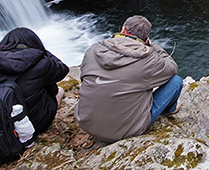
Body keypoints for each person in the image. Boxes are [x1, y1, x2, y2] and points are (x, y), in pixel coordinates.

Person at [76, 15, 183, 143]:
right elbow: (172, 67)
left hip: (86, 122)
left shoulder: (93, 49)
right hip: (125, 131)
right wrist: (152, 46)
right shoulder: (148, 59)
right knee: (176, 81)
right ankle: (169, 110)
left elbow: (84, 78)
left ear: (123, 29)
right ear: (146, 38)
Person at [0, 27, 69, 135]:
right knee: (55, 89)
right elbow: (63, 69)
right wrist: (42, 52)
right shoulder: (41, 64)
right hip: (31, 124)